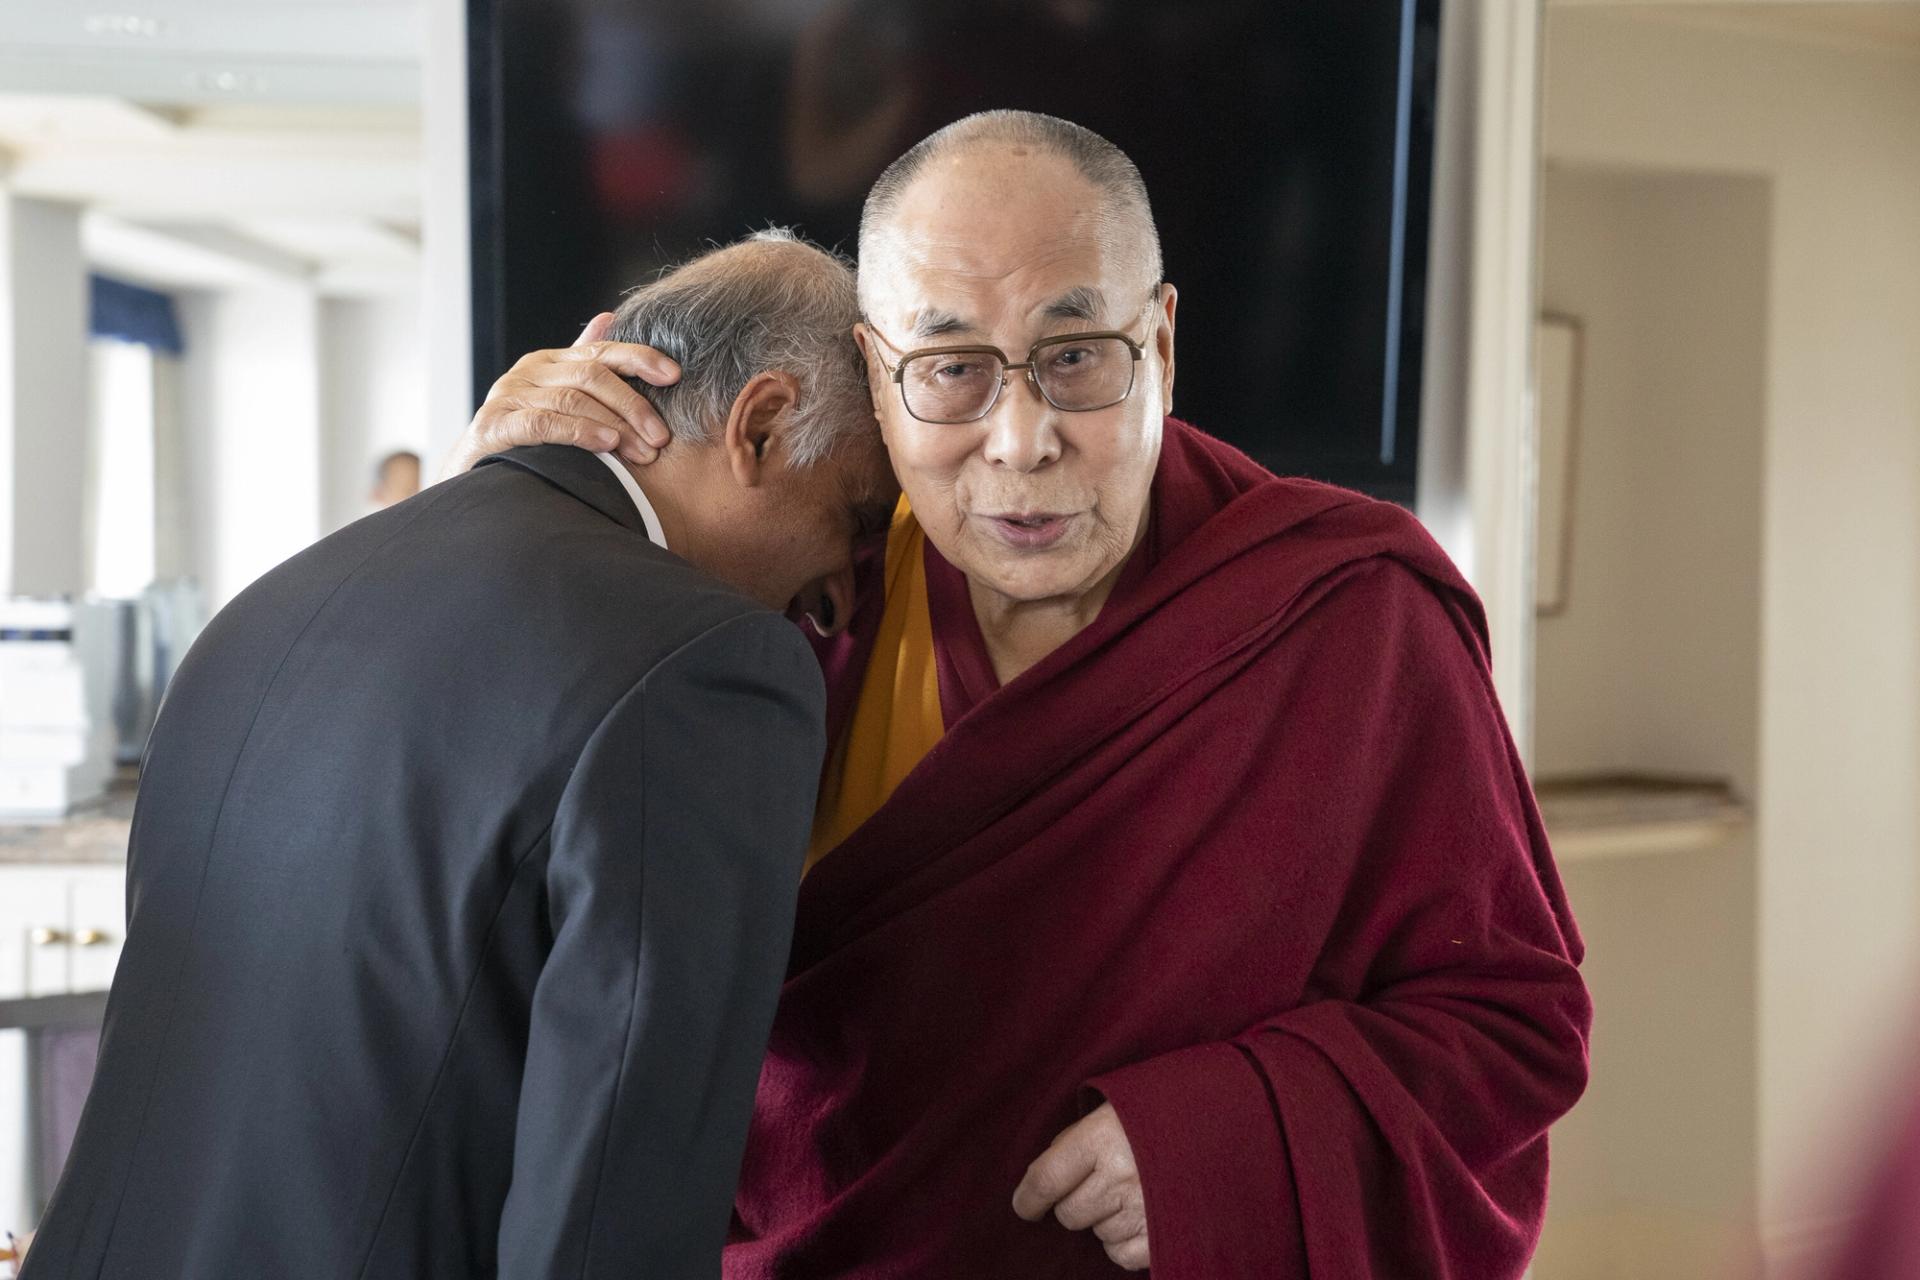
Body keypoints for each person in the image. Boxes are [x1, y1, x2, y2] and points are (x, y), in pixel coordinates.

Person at [455, 111, 1592, 1277]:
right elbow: (512, 918)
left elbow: (1514, 1025)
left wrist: (1225, 1139)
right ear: (874, 375)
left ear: (1161, 341)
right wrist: (528, 514)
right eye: (950, 369)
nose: (1021, 440)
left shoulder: (1347, 616)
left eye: (1077, 354)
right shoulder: (791, 585)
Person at [22, 231, 896, 1280]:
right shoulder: (711, 667)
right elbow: (614, 1203)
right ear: (760, 424)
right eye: (855, 518)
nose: (845, 595)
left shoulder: (273, 600)